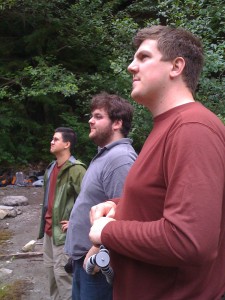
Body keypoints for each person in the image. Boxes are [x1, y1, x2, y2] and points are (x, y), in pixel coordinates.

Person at [89, 25, 225, 299]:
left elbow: (190, 241)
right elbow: (162, 199)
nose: (131, 66)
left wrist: (109, 231)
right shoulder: (169, 126)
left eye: (143, 57)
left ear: (176, 66)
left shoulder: (193, 128)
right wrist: (118, 206)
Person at [65, 92, 137, 300]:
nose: (90, 120)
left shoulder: (120, 159)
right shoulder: (105, 155)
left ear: (117, 123)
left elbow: (124, 215)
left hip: (98, 265)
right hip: (85, 261)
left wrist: (98, 249)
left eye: (98, 116)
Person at [38, 127, 86, 300]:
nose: (51, 142)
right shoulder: (51, 168)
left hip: (64, 234)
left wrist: (75, 223)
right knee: (52, 278)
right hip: (49, 233)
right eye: (52, 138)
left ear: (67, 144)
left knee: (64, 278)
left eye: (56, 139)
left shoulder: (77, 169)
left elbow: (88, 200)